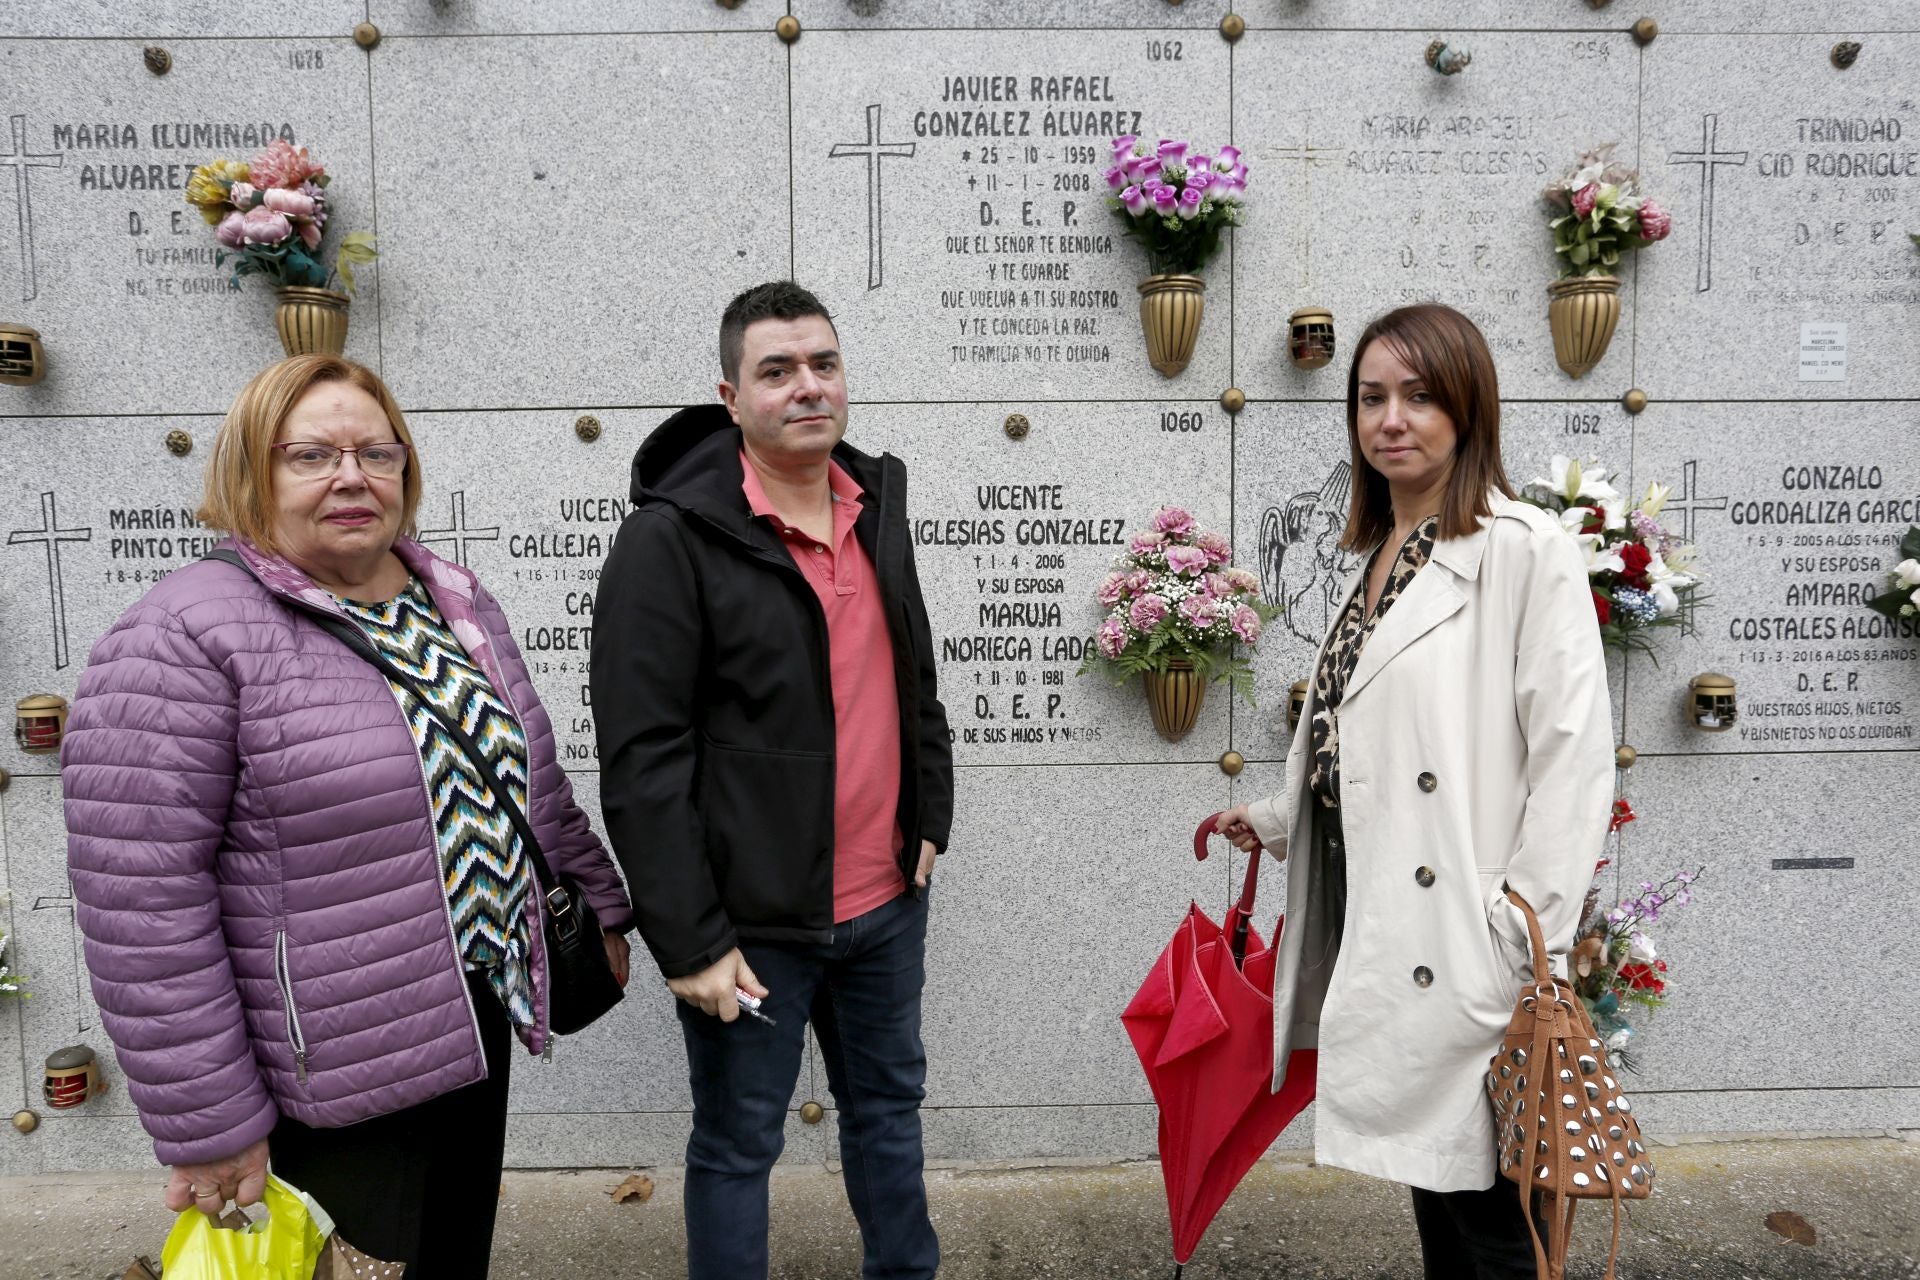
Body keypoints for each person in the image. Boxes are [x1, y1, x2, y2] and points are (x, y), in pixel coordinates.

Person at [63, 355, 633, 1277]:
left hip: (469, 1019)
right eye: (312, 455)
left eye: (376, 452)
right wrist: (210, 1123)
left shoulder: (449, 597)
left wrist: (597, 905)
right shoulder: (181, 636)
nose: (352, 476)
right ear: (251, 472)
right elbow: (142, 907)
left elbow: (529, 777)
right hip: (327, 1068)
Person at [1214, 303, 1613, 1278]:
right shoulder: (1386, 547)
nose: (1391, 419)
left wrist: (1523, 929)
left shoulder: (1524, 548)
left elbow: (1573, 758)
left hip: (1472, 942)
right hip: (1392, 922)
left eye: (1419, 395)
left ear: (1468, 406)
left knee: (1494, 1220)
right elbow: (1357, 729)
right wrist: (1275, 817)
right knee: (1443, 1199)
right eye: (1371, 397)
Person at [592, 280, 953, 1280]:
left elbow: (914, 677)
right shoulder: (670, 538)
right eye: (778, 370)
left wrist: (931, 814)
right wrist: (692, 939)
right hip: (750, 935)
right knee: (738, 1143)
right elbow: (642, 755)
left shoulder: (875, 505)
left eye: (824, 364)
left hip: (886, 906)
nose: (808, 386)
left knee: (889, 1116)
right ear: (731, 395)